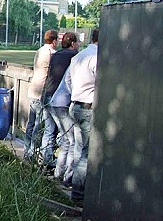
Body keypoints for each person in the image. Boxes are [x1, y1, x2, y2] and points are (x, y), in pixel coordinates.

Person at [40, 32, 80, 174]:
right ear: (73, 43)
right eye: (78, 42)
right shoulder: (74, 56)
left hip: (47, 94)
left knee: (49, 131)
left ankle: (46, 163)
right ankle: (63, 172)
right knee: (68, 138)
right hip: (59, 98)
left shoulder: (56, 54)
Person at [68, 28, 99, 204]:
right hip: (88, 108)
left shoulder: (78, 56)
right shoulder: (96, 58)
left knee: (79, 149)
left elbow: (68, 80)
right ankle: (79, 193)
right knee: (86, 154)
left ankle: (72, 183)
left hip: (76, 105)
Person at [24, 29, 58, 161]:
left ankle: (28, 150)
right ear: (54, 41)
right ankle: (33, 153)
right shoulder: (52, 53)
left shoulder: (40, 50)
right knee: (39, 125)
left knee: (31, 123)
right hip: (41, 92)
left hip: (32, 90)